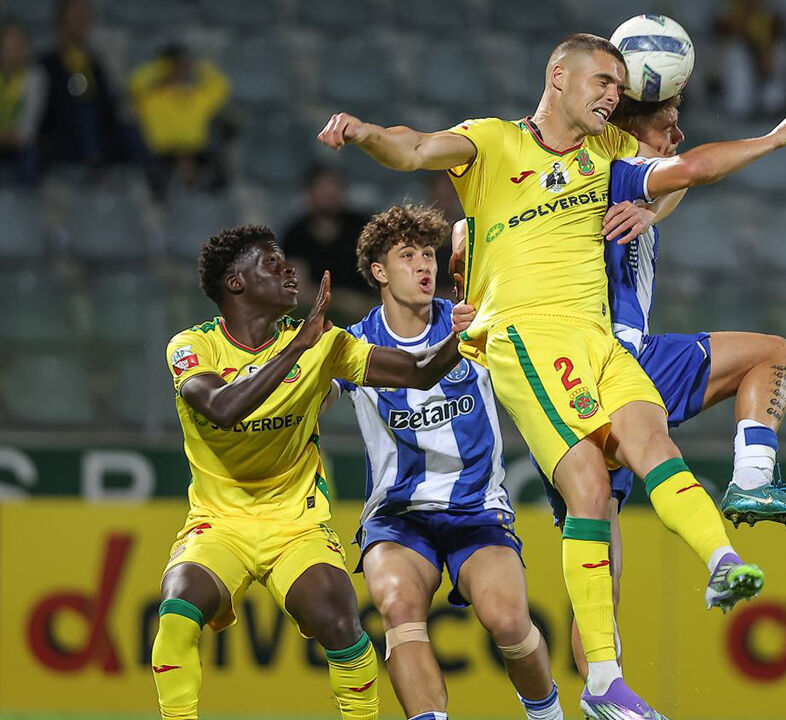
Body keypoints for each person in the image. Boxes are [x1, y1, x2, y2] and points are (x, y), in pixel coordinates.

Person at [317, 32, 786, 719]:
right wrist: (363, 134)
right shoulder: (495, 143)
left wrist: (773, 139)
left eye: (619, 89)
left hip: (601, 339)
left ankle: (719, 564)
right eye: (602, 83)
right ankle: (600, 682)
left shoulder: (611, 154)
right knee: (589, 482)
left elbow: (690, 169)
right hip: (528, 336)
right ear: (557, 77)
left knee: (651, 441)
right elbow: (414, 148)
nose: (612, 97)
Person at [537, 91, 786, 680]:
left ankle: (606, 694)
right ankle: (751, 481)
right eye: (668, 127)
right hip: (618, 357)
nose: (676, 138)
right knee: (773, 355)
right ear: (629, 129)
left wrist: (654, 209)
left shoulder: (575, 180)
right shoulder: (616, 167)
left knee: (600, 577)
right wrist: (775, 137)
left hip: (563, 378)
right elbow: (695, 168)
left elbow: (669, 187)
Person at [151, 224, 468, 720]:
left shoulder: (326, 345)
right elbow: (220, 407)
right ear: (236, 283)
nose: (289, 270)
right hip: (219, 523)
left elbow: (420, 373)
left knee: (342, 625)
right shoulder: (193, 346)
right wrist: (297, 347)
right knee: (176, 613)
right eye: (272, 263)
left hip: (297, 524)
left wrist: (461, 336)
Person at [327, 204, 563, 720]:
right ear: (379, 272)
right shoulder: (352, 346)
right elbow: (311, 400)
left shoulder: (478, 326)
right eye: (406, 255)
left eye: (429, 254)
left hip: (477, 510)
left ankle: (546, 712)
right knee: (397, 609)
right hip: (397, 518)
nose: (423, 265)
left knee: (507, 622)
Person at [37, 0, 140, 176]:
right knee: (83, 110)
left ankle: (153, 178)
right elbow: (44, 111)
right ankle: (94, 165)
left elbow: (108, 108)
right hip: (61, 135)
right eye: (75, 18)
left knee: (130, 129)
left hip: (98, 134)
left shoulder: (94, 63)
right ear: (62, 22)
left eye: (84, 18)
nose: (81, 23)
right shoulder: (47, 63)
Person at [129, 43, 230, 196]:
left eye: (182, 67)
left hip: (195, 155)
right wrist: (163, 67)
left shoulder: (197, 98)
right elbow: (135, 84)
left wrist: (196, 66)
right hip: (163, 157)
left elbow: (221, 86)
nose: (179, 71)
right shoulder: (153, 99)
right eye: (175, 66)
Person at [281, 164, 375, 325]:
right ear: (309, 193)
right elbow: (299, 290)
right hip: (318, 313)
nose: (328, 193)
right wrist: (343, 301)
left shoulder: (363, 227)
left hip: (367, 307)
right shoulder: (295, 235)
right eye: (321, 186)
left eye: (333, 186)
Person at [713, 0, 786, 118]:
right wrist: (756, 51)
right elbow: (725, 29)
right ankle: (739, 107)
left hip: (764, 50)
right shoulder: (730, 7)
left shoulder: (769, 10)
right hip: (739, 51)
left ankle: (773, 105)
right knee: (736, 52)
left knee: (782, 51)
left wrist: (765, 51)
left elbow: (778, 29)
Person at [0, 21, 45, 186]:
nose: (12, 53)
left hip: (20, 144)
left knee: (30, 155)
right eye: (8, 47)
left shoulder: (35, 79)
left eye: (18, 47)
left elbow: (29, 126)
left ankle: (26, 203)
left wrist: (12, 137)